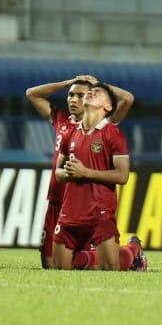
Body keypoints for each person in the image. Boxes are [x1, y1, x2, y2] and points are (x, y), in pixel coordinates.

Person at [26, 75, 135, 269]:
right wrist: (67, 82)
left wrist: (99, 84)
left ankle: (130, 252)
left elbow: (127, 98)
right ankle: (94, 258)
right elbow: (31, 94)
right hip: (60, 199)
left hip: (93, 203)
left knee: (99, 265)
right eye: (70, 95)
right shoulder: (63, 123)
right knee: (51, 265)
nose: (73, 100)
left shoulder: (107, 126)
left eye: (80, 95)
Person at [51, 82, 143, 272]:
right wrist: (68, 173)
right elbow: (57, 173)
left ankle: (134, 252)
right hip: (69, 215)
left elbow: (122, 175)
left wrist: (85, 173)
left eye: (98, 92)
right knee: (58, 269)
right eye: (90, 91)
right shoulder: (70, 132)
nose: (91, 92)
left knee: (109, 269)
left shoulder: (114, 134)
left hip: (99, 214)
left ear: (108, 107)